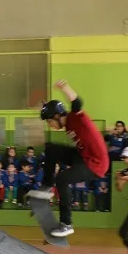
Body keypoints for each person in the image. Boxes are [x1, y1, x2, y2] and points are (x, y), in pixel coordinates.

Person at [27, 80, 110, 238]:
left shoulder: (77, 119)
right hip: (83, 156)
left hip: (96, 164)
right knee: (51, 148)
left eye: (50, 121)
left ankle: (66, 224)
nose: (50, 125)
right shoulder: (67, 125)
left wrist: (65, 88)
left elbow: (77, 103)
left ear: (58, 116)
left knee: (63, 179)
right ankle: (46, 187)